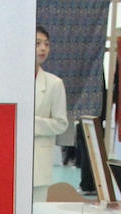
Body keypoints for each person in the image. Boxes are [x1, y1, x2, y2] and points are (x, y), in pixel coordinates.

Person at [33, 25, 68, 203]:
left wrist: (30, 124)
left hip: (38, 164)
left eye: (46, 44)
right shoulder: (10, 82)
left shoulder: (54, 83)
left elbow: (61, 123)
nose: (43, 48)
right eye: (37, 43)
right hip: (8, 160)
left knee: (36, 213)